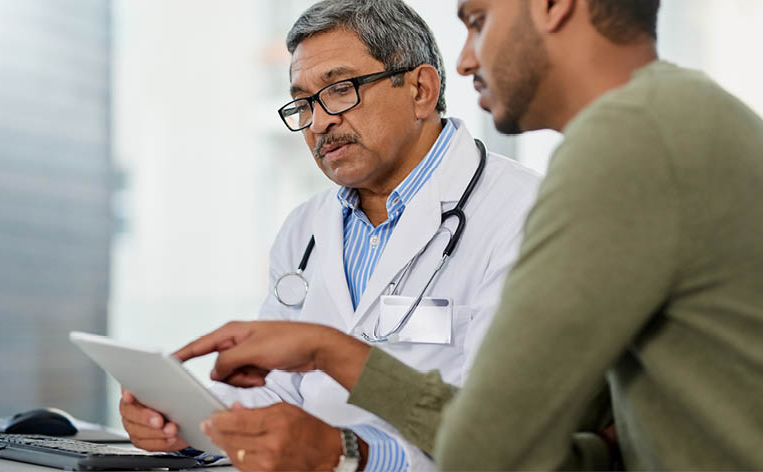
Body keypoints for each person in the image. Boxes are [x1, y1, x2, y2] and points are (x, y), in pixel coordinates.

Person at [177, 0, 763, 470]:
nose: (463, 61)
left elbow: (490, 447)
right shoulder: (689, 117)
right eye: (305, 103)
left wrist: (331, 362)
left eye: (478, 21)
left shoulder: (627, 142)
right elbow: (579, 441)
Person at [120, 0, 541, 470]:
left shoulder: (525, 213)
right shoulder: (304, 228)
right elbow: (276, 390)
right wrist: (187, 426)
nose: (319, 122)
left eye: (340, 90)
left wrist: (350, 455)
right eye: (303, 104)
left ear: (421, 90)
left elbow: (506, 439)